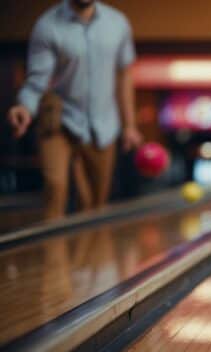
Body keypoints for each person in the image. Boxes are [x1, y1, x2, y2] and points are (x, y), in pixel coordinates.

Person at [7, 0, 142, 221]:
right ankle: (53, 254)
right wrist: (24, 107)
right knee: (55, 187)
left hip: (103, 125)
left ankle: (88, 255)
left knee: (95, 205)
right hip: (60, 120)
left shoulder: (117, 23)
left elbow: (125, 75)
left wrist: (130, 125)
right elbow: (37, 80)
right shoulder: (47, 26)